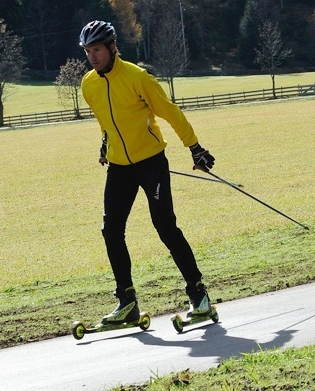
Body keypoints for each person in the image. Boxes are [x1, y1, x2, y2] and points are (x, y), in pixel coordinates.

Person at [79, 20, 216, 325]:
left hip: (151, 162)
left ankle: (199, 296)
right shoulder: (89, 84)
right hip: (119, 167)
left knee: (164, 226)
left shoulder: (138, 78)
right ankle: (127, 302)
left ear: (113, 48)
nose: (93, 56)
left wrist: (195, 147)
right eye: (88, 51)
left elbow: (169, 111)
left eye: (97, 49)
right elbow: (105, 119)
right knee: (111, 231)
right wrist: (105, 144)